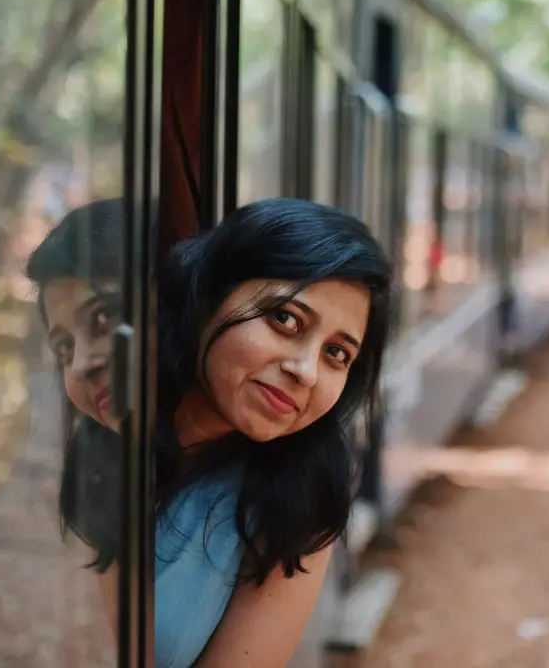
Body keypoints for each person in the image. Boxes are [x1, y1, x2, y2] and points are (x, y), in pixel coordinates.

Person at [26, 196, 392, 668]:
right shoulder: (86, 464)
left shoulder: (297, 494)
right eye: (285, 319)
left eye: (337, 354)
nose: (306, 371)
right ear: (204, 301)